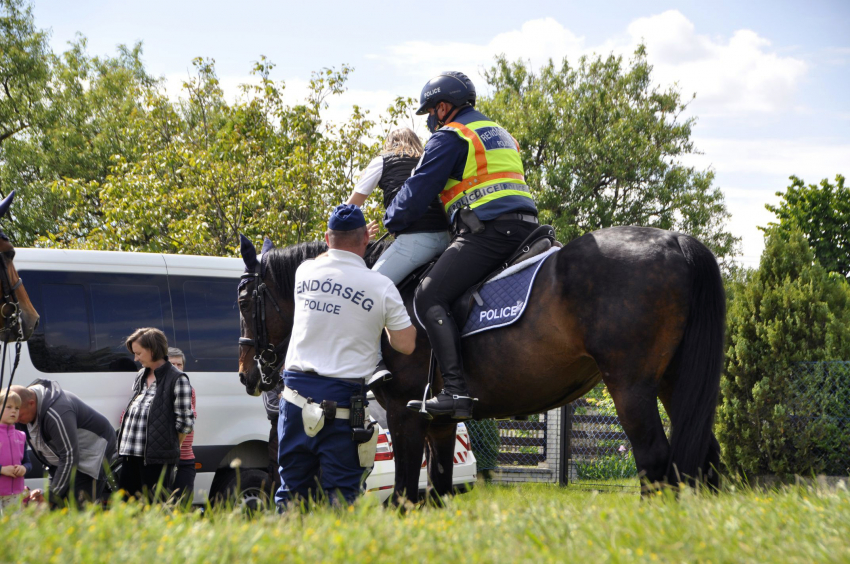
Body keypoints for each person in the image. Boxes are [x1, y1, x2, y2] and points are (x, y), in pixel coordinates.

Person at [385, 71, 539, 420]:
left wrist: (391, 220)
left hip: (488, 232)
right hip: (527, 229)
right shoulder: (502, 134)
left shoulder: (450, 137)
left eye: (429, 112)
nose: (427, 120)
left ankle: (455, 389)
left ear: (443, 108)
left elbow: (416, 193)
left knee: (429, 295)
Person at [274, 204, 416, 507]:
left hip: (295, 401)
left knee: (291, 493)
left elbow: (327, 257)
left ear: (327, 238)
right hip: (342, 406)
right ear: (366, 237)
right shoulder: (381, 286)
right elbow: (406, 345)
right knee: (340, 497)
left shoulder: (305, 271)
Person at [347, 128, 451, 385]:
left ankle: (375, 362)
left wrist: (357, 233)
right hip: (450, 240)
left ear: (389, 144)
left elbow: (351, 206)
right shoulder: (432, 158)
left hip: (416, 242)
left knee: (366, 291)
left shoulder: (382, 160)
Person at [12, 381, 117, 507]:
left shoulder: (57, 413)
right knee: (56, 504)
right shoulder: (21, 407)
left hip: (92, 451)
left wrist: (51, 496)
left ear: (32, 403)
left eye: (20, 415)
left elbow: (69, 457)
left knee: (80, 506)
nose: (16, 421)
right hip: (65, 454)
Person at [117, 328, 194, 501]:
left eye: (138, 353)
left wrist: (167, 450)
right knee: (127, 507)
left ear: (152, 350)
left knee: (154, 507)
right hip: (130, 455)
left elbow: (185, 424)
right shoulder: (140, 375)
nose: (135, 358)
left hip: (156, 460)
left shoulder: (178, 379)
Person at [167, 347, 196, 504]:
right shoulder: (155, 388)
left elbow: (188, 420)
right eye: (173, 364)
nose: (177, 368)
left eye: (179, 364)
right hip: (165, 459)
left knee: (183, 506)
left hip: (185, 459)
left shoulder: (189, 390)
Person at [0, 390, 31, 512]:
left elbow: (27, 462)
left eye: (17, 408)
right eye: (9, 407)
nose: (14, 411)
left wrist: (24, 468)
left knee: (14, 529)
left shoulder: (21, 436)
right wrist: (2, 469)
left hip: (15, 495)